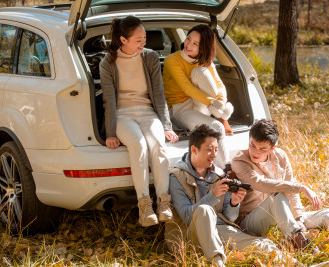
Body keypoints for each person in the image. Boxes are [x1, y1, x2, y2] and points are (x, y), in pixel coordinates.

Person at [231, 119, 329, 253]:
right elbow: (262, 184)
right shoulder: (240, 161)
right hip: (252, 221)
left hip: (284, 217)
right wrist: (301, 187)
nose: (255, 152)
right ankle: (301, 243)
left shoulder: (281, 156)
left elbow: (291, 193)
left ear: (272, 148)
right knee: (276, 195)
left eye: (262, 149)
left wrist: (298, 217)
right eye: (252, 145)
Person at [165, 124, 286, 267]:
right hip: (192, 236)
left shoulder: (219, 175)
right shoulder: (176, 177)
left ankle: (293, 264)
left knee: (263, 244)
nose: (214, 155)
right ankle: (217, 263)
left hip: (221, 231)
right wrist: (213, 194)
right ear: (194, 150)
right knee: (204, 210)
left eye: (216, 150)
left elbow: (229, 218)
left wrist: (234, 203)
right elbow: (186, 217)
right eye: (209, 150)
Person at [100, 16, 179, 227]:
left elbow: (159, 95)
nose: (144, 43)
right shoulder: (107, 63)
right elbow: (108, 100)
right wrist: (110, 133)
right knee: (138, 145)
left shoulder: (150, 57)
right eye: (138, 39)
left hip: (147, 113)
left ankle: (164, 202)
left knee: (159, 146)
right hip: (122, 115)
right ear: (123, 40)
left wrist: (166, 126)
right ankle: (144, 205)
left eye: (145, 38)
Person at [163, 24, 233, 168]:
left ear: (203, 48)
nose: (188, 45)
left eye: (195, 43)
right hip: (179, 108)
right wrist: (211, 104)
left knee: (200, 72)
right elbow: (187, 88)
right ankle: (226, 168)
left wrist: (221, 102)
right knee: (217, 128)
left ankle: (221, 113)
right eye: (188, 39)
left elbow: (219, 85)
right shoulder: (172, 60)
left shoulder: (205, 60)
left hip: (200, 104)